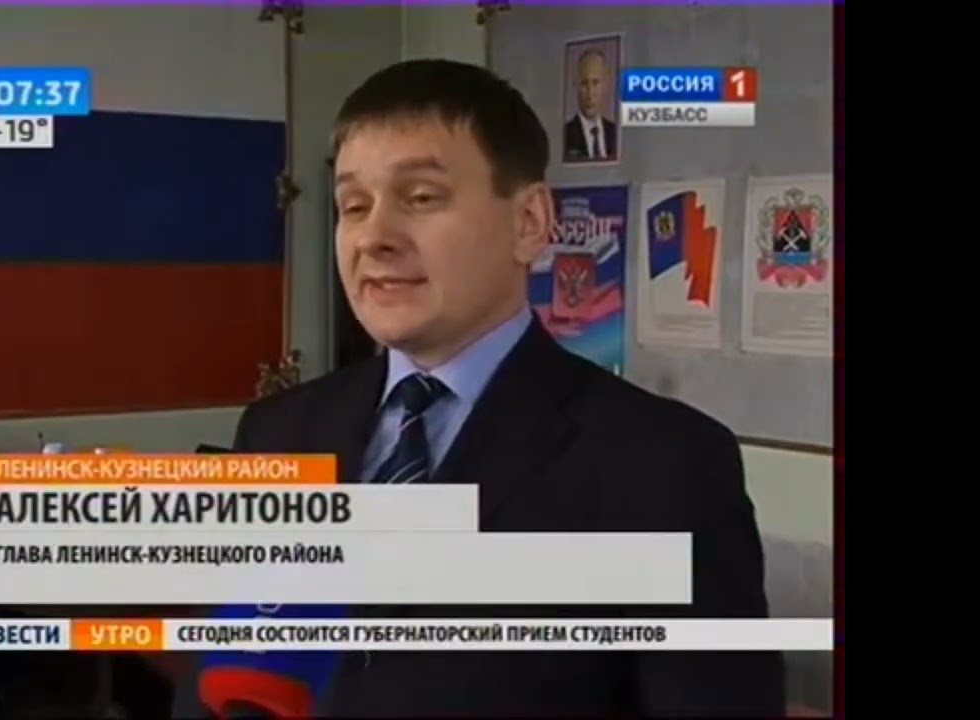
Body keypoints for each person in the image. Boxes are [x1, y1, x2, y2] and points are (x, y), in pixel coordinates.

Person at [177, 58, 784, 718]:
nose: (374, 237)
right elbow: (216, 687)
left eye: (420, 198)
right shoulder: (278, 432)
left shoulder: (665, 465)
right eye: (353, 206)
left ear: (529, 222)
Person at [563, 48, 619, 162]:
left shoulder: (615, 134)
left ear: (605, 84)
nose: (590, 93)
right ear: (576, 85)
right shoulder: (564, 136)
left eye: (595, 82)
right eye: (584, 83)